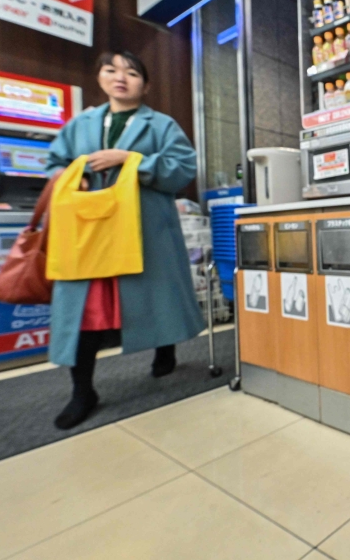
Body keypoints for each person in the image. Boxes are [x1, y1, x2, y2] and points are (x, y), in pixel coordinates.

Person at [46, 51, 205, 429]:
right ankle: (82, 390)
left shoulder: (161, 125)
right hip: (89, 232)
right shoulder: (79, 124)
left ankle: (165, 350)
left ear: (145, 85)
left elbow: (183, 168)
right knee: (82, 313)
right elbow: (53, 163)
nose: (121, 77)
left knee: (156, 296)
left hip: (144, 230)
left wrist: (132, 159)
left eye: (132, 73)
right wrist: (73, 175)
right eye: (111, 70)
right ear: (99, 78)